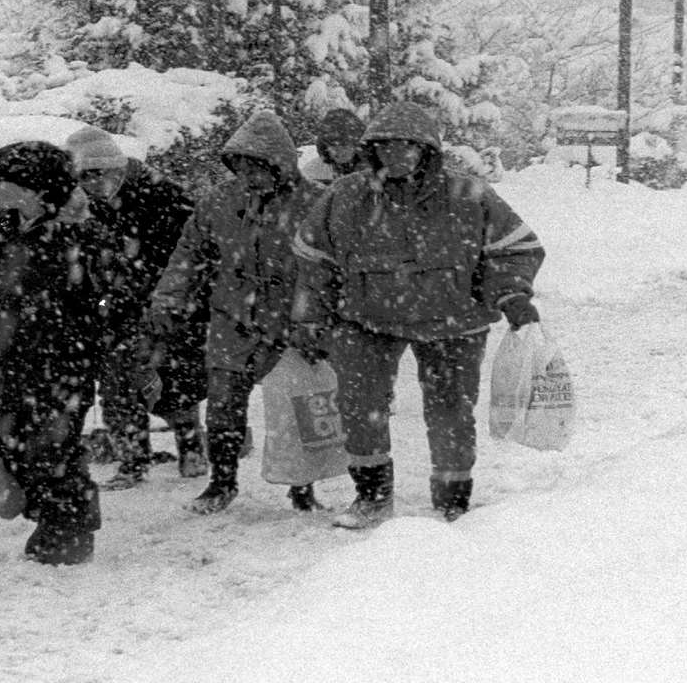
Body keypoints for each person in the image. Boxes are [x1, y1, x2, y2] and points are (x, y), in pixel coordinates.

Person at [290, 102, 546, 528]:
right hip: (365, 319)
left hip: (454, 321)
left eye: (408, 146)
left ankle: (452, 498)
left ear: (427, 150)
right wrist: (309, 316)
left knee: (450, 411)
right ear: (371, 150)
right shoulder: (345, 197)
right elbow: (312, 257)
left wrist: (512, 295)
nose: (397, 155)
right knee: (360, 406)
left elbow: (515, 249)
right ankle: (372, 496)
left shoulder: (469, 195)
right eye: (386, 147)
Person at [149, 109, 327, 515]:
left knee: (295, 404)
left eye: (257, 167)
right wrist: (169, 297)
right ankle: (222, 481)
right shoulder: (219, 202)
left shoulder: (316, 204)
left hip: (293, 321)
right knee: (224, 403)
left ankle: (302, 486)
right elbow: (189, 253)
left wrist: (318, 317)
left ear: (278, 164)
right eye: (241, 166)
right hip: (233, 317)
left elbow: (332, 265)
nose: (249, 175)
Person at [0, 141, 110, 565]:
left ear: (39, 190)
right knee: (12, 444)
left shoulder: (81, 235)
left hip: (62, 362)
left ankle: (69, 528)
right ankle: (49, 512)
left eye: (6, 182)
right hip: (2, 360)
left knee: (54, 447)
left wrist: (89, 338)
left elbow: (105, 302)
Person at [63, 125, 201, 490]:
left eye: (96, 175)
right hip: (113, 300)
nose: (90, 185)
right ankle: (131, 458)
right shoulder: (83, 202)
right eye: (82, 178)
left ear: (115, 169)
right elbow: (15, 214)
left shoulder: (161, 195)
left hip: (168, 299)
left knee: (170, 378)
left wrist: (158, 299)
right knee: (116, 380)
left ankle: (190, 444)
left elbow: (187, 253)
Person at [297, 107, 367, 188]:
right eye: (332, 145)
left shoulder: (373, 172)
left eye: (343, 145)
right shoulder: (313, 171)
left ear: (356, 143)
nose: (337, 151)